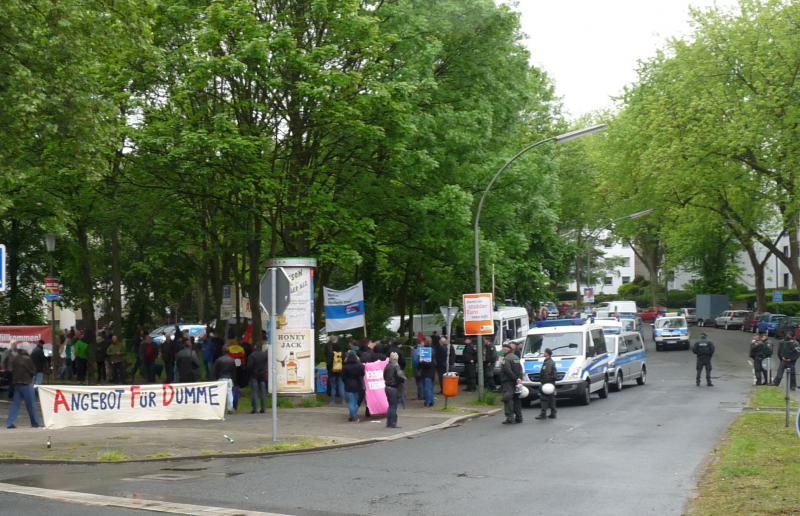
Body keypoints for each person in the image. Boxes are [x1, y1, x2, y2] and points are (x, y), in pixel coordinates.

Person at [6, 348, 40, 429]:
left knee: (15, 404)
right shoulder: (27, 359)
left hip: (17, 383)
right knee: (31, 405)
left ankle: (10, 422)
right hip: (26, 383)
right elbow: (33, 371)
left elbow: (10, 370)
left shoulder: (15, 359)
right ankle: (35, 422)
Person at [499, 341, 523, 424]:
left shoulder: (506, 359)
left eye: (502, 350)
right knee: (516, 399)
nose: (501, 351)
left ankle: (510, 418)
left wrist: (515, 378)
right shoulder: (516, 357)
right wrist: (519, 378)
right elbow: (520, 369)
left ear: (506, 350)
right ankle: (519, 417)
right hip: (516, 382)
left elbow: (507, 371)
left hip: (508, 382)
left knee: (508, 400)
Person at [384, 351, 406, 428]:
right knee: (393, 406)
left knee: (390, 406)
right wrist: (403, 379)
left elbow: (384, 375)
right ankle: (393, 423)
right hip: (394, 388)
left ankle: (389, 423)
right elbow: (400, 376)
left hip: (387, 387)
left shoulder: (387, 366)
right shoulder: (396, 366)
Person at [342, 351, 365, 422]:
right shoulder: (360, 366)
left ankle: (353, 416)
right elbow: (363, 374)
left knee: (351, 402)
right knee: (355, 401)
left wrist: (345, 382)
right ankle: (353, 416)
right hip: (358, 385)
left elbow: (343, 377)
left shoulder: (345, 367)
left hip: (348, 385)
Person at [214, 346, 237, 414]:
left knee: (220, 394)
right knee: (229, 393)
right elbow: (234, 371)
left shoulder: (218, 360)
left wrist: (215, 378)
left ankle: (219, 408)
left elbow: (215, 371)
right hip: (229, 378)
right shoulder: (232, 360)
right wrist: (234, 380)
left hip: (220, 378)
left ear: (222, 351)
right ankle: (230, 408)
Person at [536, 348, 557, 420]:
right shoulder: (550, 361)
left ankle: (543, 414)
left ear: (547, 353)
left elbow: (546, 374)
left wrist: (543, 383)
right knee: (551, 398)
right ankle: (553, 413)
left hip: (547, 383)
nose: (543, 353)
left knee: (544, 398)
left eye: (544, 352)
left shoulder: (548, 363)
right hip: (551, 383)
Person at [247, 344, 268, 414]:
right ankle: (263, 408)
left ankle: (255, 409)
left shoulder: (252, 355)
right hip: (262, 376)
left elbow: (249, 366)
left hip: (254, 376)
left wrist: (250, 373)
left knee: (254, 392)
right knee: (263, 392)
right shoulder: (264, 355)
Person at [418, 338, 437, 407]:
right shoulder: (433, 349)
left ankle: (428, 402)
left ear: (425, 342)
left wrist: (421, 362)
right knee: (430, 387)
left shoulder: (425, 350)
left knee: (427, 388)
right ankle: (431, 401)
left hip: (426, 372)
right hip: (432, 372)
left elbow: (426, 363)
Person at [326, 336, 345, 405]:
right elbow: (344, 362)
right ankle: (343, 401)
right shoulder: (342, 353)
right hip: (340, 372)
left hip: (332, 372)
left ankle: (333, 401)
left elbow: (328, 363)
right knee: (341, 385)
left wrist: (328, 369)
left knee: (333, 386)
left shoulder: (330, 353)